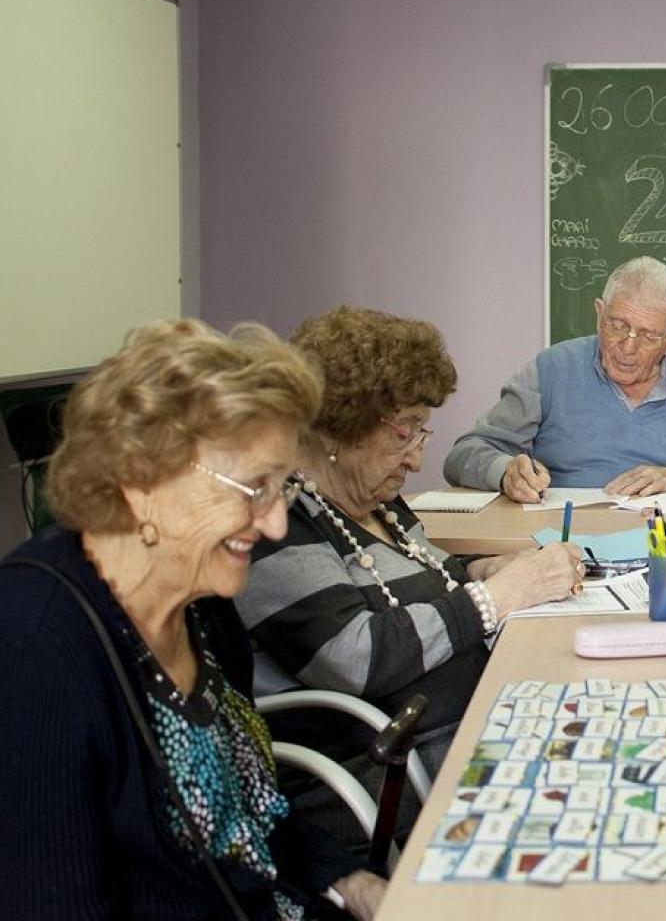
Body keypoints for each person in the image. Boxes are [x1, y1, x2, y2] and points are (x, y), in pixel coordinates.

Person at [0, 319, 385, 919]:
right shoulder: (35, 647)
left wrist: (353, 881)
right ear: (141, 477)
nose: (276, 526)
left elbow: (252, 813)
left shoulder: (200, 603)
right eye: (252, 487)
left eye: (281, 489)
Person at [238, 307, 583, 775]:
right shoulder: (278, 521)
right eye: (406, 432)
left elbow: (430, 576)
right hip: (391, 763)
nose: (417, 460)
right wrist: (498, 596)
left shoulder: (374, 498)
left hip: (468, 725)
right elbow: (353, 656)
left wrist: (483, 571)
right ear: (343, 423)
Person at [444, 256, 666, 501]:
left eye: (648, 336)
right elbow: (464, 454)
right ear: (599, 313)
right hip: (562, 542)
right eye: (617, 326)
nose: (627, 347)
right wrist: (505, 473)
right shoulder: (550, 370)